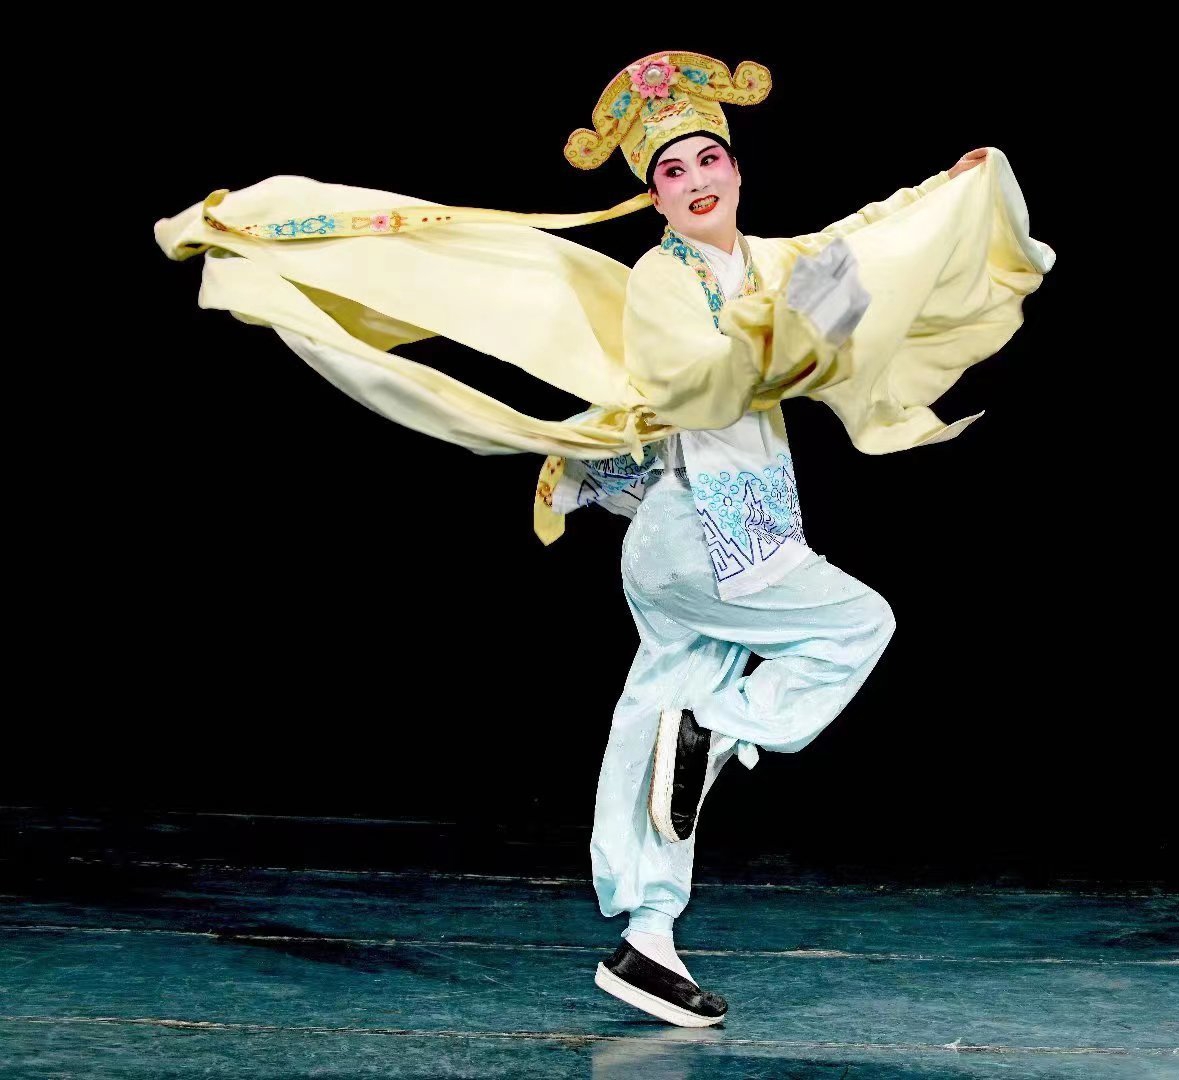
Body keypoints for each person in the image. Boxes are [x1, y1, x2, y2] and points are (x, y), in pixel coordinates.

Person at [155, 51, 1055, 1027]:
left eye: (708, 159)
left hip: (712, 534)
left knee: (659, 731)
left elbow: (863, 255)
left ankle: (646, 938)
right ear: (653, 195)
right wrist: (774, 336)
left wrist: (947, 198)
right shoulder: (662, 282)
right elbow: (695, 384)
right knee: (855, 625)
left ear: (736, 168)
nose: (696, 180)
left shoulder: (773, 263)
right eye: (672, 171)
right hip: (703, 534)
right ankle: (726, 729)